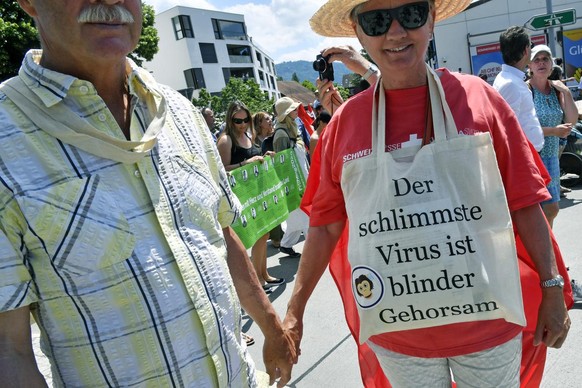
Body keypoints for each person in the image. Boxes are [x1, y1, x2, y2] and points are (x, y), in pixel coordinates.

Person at [0, 1, 296, 387]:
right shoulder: (8, 139)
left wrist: (272, 327)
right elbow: (10, 351)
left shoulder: (177, 111)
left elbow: (221, 235)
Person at [284, 1, 573, 387]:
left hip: (489, 325)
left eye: (413, 13)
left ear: (432, 19)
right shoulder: (344, 125)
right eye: (377, 20)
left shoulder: (480, 99)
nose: (396, 31)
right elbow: (323, 227)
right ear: (358, 32)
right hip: (399, 338)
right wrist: (294, 311)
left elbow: (524, 200)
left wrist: (553, 287)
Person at [217, 102, 285, 294]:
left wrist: (264, 156)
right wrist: (246, 163)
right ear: (230, 119)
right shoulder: (226, 140)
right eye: (238, 120)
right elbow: (221, 170)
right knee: (256, 236)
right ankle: (257, 282)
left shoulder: (248, 135)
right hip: (242, 196)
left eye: (246, 119)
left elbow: (253, 157)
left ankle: (264, 274)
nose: (243, 123)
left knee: (263, 234)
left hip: (256, 192)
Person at [527, 45, 577, 227]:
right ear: (529, 66)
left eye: (545, 59)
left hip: (552, 157)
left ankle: (547, 250)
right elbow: (524, 129)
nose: (541, 63)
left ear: (551, 64)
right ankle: (542, 251)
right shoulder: (526, 90)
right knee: (546, 209)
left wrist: (567, 92)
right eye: (537, 59)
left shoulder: (556, 90)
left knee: (551, 210)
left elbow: (570, 120)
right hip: (534, 157)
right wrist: (553, 130)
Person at [493, 26, 545, 152]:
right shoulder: (510, 84)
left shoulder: (509, 79)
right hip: (524, 154)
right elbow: (508, 129)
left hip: (528, 153)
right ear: (526, 50)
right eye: (531, 46)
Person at [273, 97, 310, 257]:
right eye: (293, 109)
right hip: (294, 182)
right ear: (287, 113)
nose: (297, 111)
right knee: (306, 216)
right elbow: (282, 164)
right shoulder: (281, 134)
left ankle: (286, 244)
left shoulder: (291, 128)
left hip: (300, 177)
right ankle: (313, 250)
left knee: (297, 218)